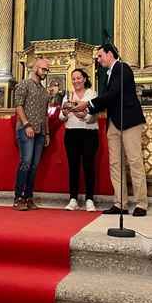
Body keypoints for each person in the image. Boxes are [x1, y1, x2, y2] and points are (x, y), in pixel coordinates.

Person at [73, 44, 148, 217]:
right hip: (113, 122)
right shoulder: (107, 75)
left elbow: (114, 93)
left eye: (100, 56)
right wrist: (87, 111)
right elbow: (107, 100)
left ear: (109, 53)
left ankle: (141, 203)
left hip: (129, 120)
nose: (98, 60)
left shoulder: (123, 68)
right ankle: (120, 203)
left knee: (134, 161)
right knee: (115, 164)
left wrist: (89, 104)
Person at [13, 59, 51, 211]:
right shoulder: (24, 84)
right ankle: (18, 198)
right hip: (26, 129)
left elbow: (46, 114)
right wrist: (26, 124)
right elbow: (18, 105)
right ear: (35, 68)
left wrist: (47, 132)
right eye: (43, 69)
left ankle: (28, 197)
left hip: (40, 132)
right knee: (25, 163)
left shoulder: (44, 91)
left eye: (47, 71)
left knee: (34, 166)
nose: (45, 73)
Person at [59, 69, 99, 212]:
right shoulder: (68, 96)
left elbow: (94, 116)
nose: (76, 81)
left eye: (78, 78)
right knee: (73, 167)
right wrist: (64, 113)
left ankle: (89, 199)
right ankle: (73, 199)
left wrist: (85, 117)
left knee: (89, 166)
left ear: (84, 79)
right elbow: (61, 117)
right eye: (73, 78)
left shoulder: (92, 94)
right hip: (71, 134)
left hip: (89, 134)